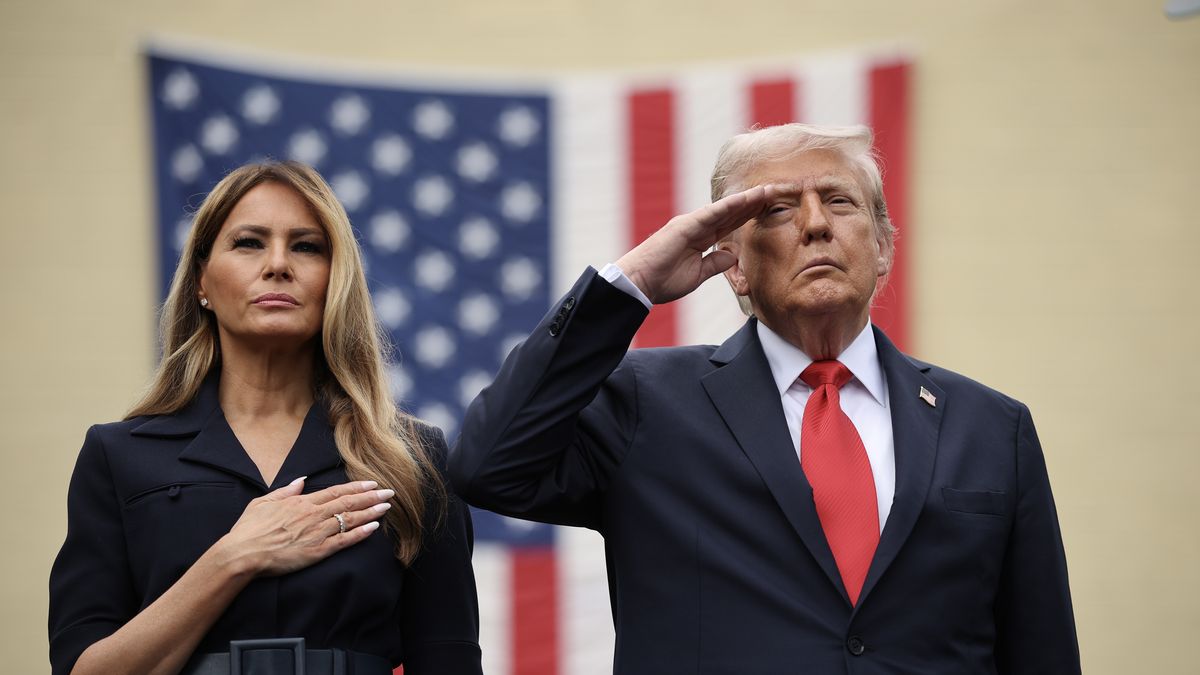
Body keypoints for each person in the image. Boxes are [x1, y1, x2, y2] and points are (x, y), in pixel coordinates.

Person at [450, 123, 1080, 673]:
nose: (814, 225)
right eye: (777, 211)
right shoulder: (646, 403)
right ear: (734, 267)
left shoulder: (993, 426)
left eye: (839, 201)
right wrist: (630, 285)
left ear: (883, 247)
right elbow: (488, 465)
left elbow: (1041, 651)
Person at [49, 161, 483, 675]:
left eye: (306, 246)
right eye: (249, 242)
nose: (278, 264)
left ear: (335, 281)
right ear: (201, 283)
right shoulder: (117, 456)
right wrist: (235, 557)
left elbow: (449, 657)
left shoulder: (413, 458)